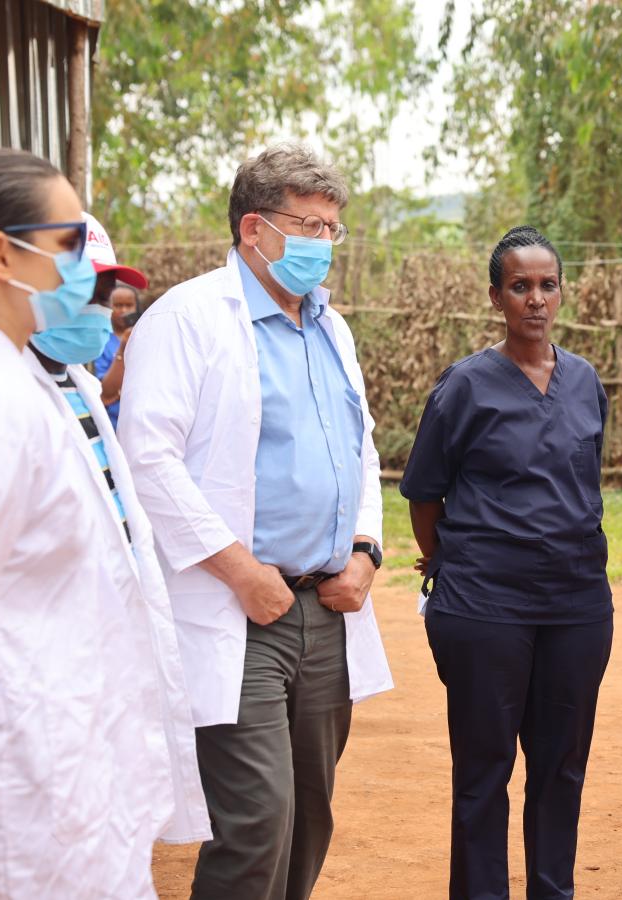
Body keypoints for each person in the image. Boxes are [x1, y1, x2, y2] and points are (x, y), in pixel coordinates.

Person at [0, 148, 207, 897]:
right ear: (1, 255)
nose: (87, 272)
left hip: (55, 774)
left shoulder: (12, 381)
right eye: (69, 243)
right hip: (5, 800)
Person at [118, 143, 393, 900]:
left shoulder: (332, 329)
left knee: (310, 815)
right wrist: (240, 571)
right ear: (253, 229)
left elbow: (359, 448)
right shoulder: (190, 317)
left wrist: (366, 550)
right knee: (256, 818)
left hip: (326, 606)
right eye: (308, 225)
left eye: (333, 228)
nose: (323, 245)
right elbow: (148, 458)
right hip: (242, 608)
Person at [400, 225, 614, 900]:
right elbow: (425, 495)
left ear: (562, 292)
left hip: (577, 607)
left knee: (561, 770)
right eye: (519, 286)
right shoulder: (464, 387)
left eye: (547, 284)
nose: (535, 299)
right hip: (485, 608)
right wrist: (452, 567)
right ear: (496, 297)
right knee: (484, 771)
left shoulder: (584, 382)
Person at [88, 228, 147, 430]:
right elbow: (106, 392)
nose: (122, 310)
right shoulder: (100, 339)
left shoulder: (146, 337)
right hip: (112, 425)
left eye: (128, 305)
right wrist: (122, 351)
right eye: (117, 305)